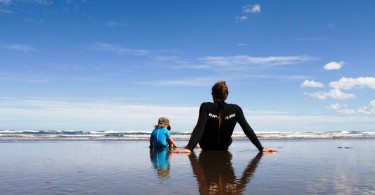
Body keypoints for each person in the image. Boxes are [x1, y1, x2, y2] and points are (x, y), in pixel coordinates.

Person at [174, 81, 276, 153]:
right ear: (226, 95)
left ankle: (189, 146)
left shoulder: (205, 106)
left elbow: (200, 127)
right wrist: (261, 148)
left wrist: (190, 148)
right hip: (224, 146)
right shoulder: (236, 109)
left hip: (207, 146)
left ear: (213, 94)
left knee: (201, 128)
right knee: (229, 138)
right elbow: (246, 128)